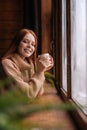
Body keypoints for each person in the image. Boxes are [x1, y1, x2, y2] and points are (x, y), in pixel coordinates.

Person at [1, 28, 54, 98]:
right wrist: (38, 73)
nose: (30, 46)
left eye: (33, 44)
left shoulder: (30, 63)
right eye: (25, 41)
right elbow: (25, 95)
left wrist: (41, 70)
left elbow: (39, 92)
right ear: (17, 43)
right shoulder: (7, 63)